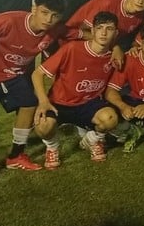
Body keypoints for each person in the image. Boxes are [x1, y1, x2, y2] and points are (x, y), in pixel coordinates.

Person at [0, 0, 67, 180]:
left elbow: (81, 32)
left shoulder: (54, 30)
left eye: (54, 16)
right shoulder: (8, 21)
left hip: (14, 76)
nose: (48, 19)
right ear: (34, 9)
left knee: (29, 103)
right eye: (44, 12)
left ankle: (16, 156)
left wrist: (115, 47)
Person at [32, 12, 121, 166]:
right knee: (43, 126)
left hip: (88, 104)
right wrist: (43, 102)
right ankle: (52, 148)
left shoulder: (114, 57)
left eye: (109, 29)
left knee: (110, 119)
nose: (104, 33)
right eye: (99, 28)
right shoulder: (72, 49)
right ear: (92, 31)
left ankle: (93, 140)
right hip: (59, 102)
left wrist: (118, 49)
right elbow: (37, 74)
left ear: (116, 33)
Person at [64, 0, 144, 54]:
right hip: (72, 41)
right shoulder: (107, 2)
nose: (140, 1)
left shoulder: (141, 17)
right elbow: (81, 30)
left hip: (104, 47)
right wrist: (114, 47)